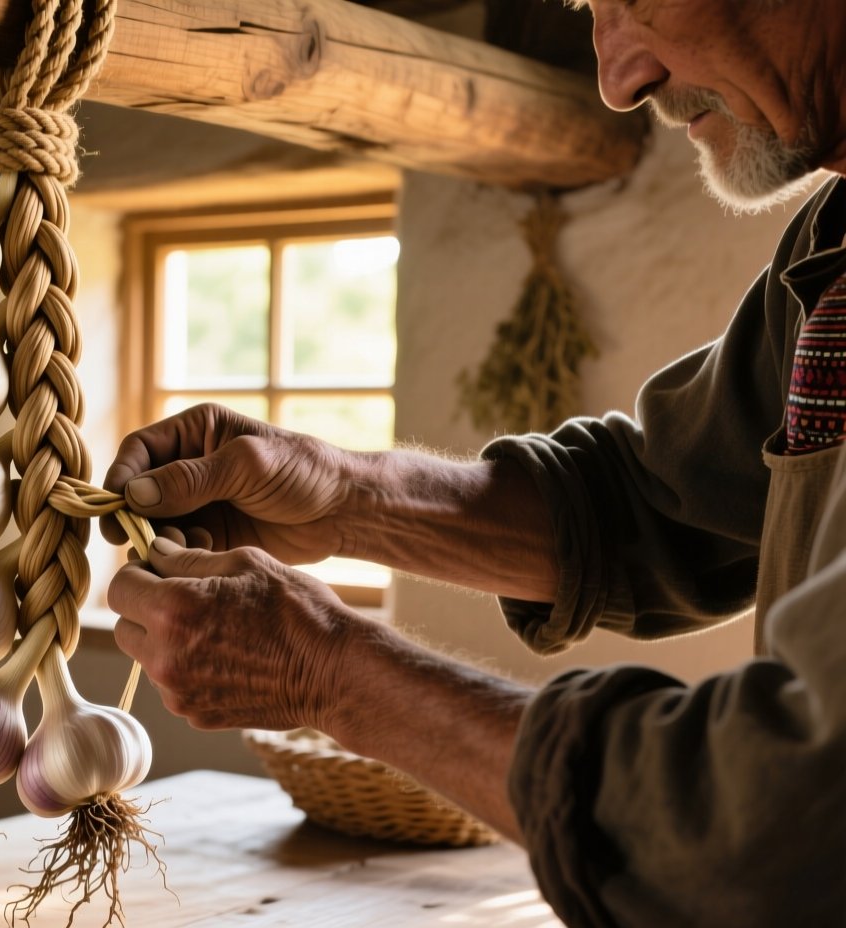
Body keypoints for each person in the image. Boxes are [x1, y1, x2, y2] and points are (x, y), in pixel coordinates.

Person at [103, 1, 846, 925]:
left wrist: (327, 671)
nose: (618, 80)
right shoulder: (832, 251)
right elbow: (654, 504)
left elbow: (769, 828)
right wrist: (347, 497)